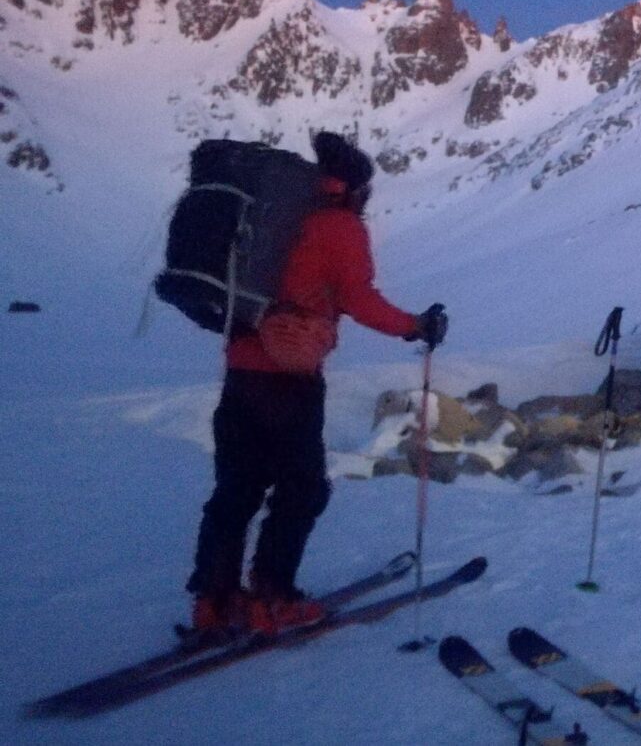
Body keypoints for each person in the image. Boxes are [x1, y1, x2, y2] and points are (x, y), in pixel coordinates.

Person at [186, 130, 448, 636]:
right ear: (352, 187)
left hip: (241, 370)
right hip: (289, 382)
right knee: (302, 489)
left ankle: (214, 601)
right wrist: (416, 326)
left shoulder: (273, 217)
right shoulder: (339, 226)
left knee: (236, 488)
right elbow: (358, 297)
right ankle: (273, 597)